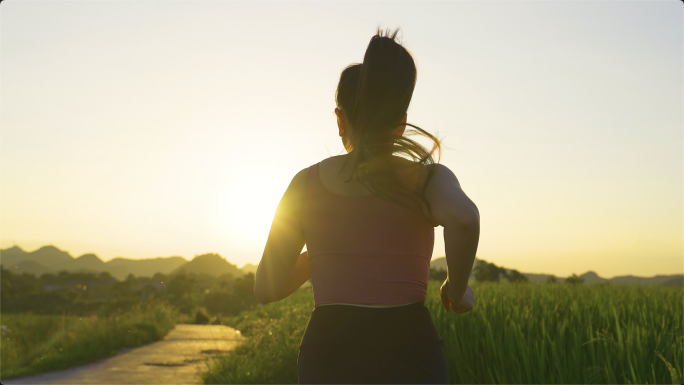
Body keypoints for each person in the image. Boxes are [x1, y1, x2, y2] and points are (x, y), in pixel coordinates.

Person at [254, 28, 480, 384]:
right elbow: (465, 219)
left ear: (340, 119)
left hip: (330, 352)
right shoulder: (428, 178)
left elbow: (266, 288)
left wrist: (324, 255)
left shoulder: (304, 184)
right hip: (409, 348)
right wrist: (456, 289)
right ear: (401, 123)